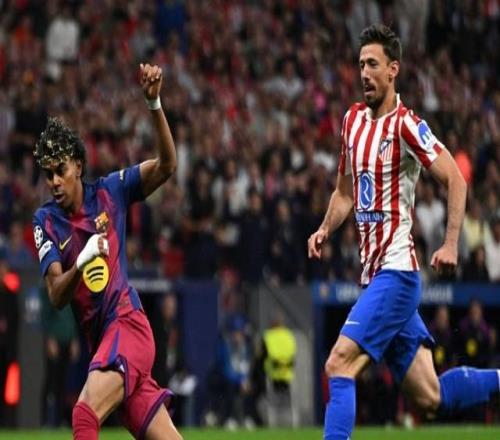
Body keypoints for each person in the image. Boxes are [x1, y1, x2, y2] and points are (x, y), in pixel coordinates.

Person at [308, 25, 500, 440]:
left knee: (339, 364)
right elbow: (344, 193)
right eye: (361, 64)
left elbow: (456, 179)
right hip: (375, 277)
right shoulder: (352, 121)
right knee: (430, 398)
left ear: (393, 69)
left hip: (397, 274)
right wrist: (324, 228)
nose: (364, 73)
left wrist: (451, 243)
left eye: (373, 64)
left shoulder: (407, 125)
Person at [32, 64, 182, 440]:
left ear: (78, 166)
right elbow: (56, 294)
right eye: (48, 174)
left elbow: (167, 165)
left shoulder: (110, 192)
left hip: (127, 324)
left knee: (84, 413)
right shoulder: (45, 221)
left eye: (60, 170)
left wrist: (154, 104)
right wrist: (82, 261)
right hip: (103, 341)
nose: (54, 181)